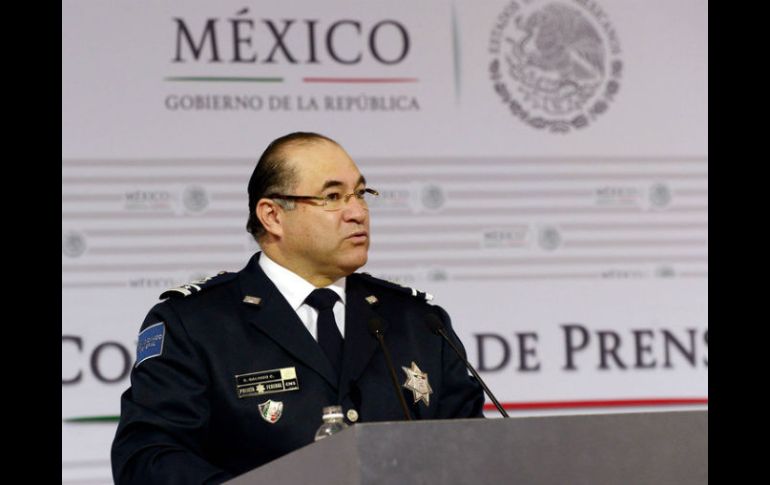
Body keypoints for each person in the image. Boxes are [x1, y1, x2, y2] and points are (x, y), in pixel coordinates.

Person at [111, 132, 484, 484]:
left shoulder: (418, 321)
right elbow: (147, 459)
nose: (358, 212)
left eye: (360, 193)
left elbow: (476, 449)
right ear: (273, 216)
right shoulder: (194, 324)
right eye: (332, 197)